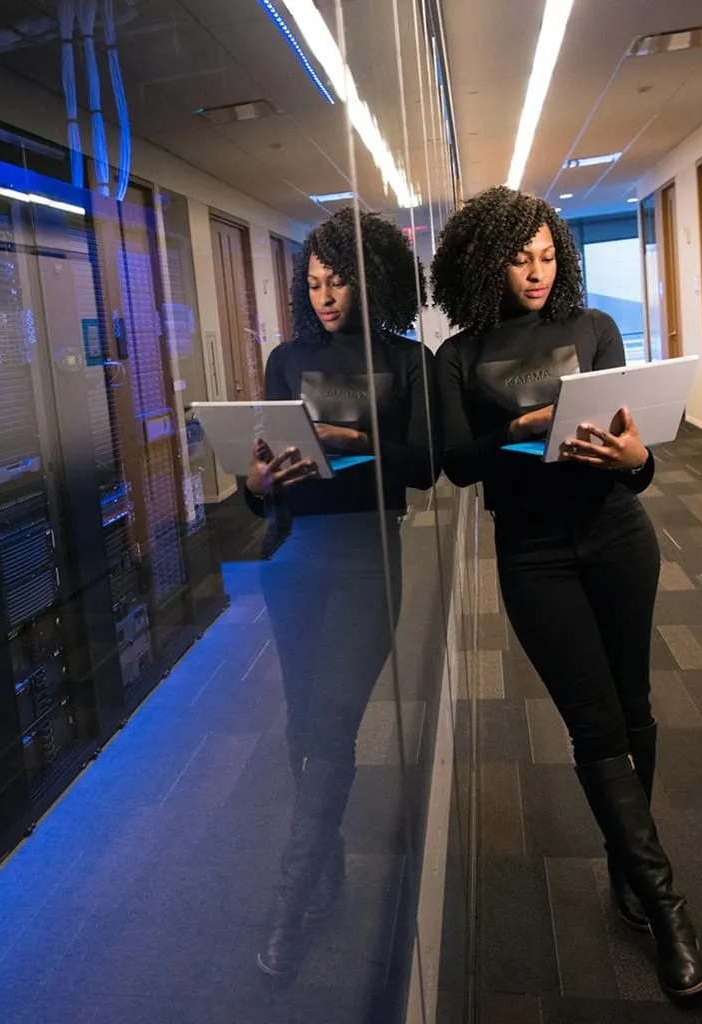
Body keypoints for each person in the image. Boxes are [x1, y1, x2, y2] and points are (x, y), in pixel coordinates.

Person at [430, 186, 702, 998]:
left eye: (549, 256)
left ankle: (627, 862)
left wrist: (636, 462)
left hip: (617, 534)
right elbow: (455, 461)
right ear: (486, 262)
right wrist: (515, 430)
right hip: (532, 554)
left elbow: (636, 453)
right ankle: (666, 910)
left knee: (633, 707)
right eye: (520, 259)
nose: (537, 272)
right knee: (592, 727)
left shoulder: (593, 329)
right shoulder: (459, 355)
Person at [244, 207, 437, 982]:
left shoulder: (405, 359)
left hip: (367, 559)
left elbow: (426, 467)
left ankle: (290, 904)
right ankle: (326, 867)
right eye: (315, 283)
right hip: (294, 555)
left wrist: (358, 443)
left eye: (339, 281)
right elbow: (260, 483)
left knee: (329, 727)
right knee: (300, 725)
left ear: (371, 279)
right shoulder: (286, 359)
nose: (325, 296)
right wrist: (256, 484)